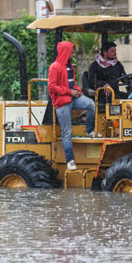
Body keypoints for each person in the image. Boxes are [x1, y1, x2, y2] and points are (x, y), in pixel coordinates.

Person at [48, 41, 96, 171]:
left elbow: (70, 83)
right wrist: (70, 91)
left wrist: (77, 89)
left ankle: (89, 130)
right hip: (62, 103)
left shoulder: (70, 66)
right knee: (67, 132)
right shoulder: (55, 67)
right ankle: (70, 161)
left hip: (73, 98)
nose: (74, 54)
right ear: (65, 52)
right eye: (72, 52)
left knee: (91, 104)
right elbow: (51, 87)